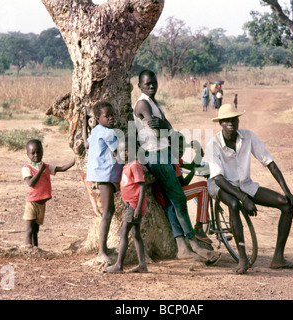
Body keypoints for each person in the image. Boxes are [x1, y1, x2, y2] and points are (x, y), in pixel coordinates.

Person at [134, 69, 219, 264]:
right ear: (140, 86)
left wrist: (165, 126)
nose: (152, 86)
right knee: (179, 198)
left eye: (154, 82)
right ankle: (194, 244)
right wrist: (165, 126)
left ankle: (182, 247)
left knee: (172, 202)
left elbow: (167, 127)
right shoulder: (142, 103)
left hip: (163, 153)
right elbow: (158, 129)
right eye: (147, 84)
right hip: (155, 155)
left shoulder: (154, 103)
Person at [206, 104, 293, 274]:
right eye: (226, 120)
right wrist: (244, 199)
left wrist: (287, 191)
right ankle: (242, 259)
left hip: (245, 185)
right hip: (221, 185)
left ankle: (278, 258)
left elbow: (269, 162)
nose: (231, 123)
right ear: (220, 123)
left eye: (234, 119)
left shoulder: (248, 136)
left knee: (287, 205)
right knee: (234, 204)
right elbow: (218, 178)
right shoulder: (213, 144)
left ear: (238, 120)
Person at [83, 101, 124, 265]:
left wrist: (83, 125)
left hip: (99, 174)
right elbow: (118, 154)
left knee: (110, 210)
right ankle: (101, 251)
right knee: (107, 212)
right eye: (106, 116)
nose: (110, 118)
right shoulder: (108, 133)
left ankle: (104, 248)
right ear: (98, 118)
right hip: (105, 175)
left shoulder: (96, 130)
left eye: (111, 115)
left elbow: (86, 144)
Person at [152, 132, 212, 244]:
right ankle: (199, 227)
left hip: (172, 194)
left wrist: (199, 154)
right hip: (170, 196)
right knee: (204, 187)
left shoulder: (175, 158)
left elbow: (190, 166)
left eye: (182, 147)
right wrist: (194, 170)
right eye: (177, 147)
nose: (180, 150)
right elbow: (184, 183)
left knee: (202, 187)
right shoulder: (171, 159)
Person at [22, 139, 75, 248]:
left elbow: (62, 169)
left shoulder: (46, 166)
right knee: (29, 229)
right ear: (28, 154)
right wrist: (40, 171)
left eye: (39, 152)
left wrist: (75, 161)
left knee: (36, 229)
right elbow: (31, 183)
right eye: (33, 153)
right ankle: (27, 249)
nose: (36, 155)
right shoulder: (27, 168)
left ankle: (35, 248)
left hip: (42, 203)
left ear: (42, 152)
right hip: (32, 203)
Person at [105, 140, 148, 273]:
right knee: (135, 234)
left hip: (134, 205)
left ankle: (119, 265)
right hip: (131, 204)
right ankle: (142, 265)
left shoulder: (134, 165)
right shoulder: (127, 165)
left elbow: (142, 186)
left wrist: (138, 207)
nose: (123, 153)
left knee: (124, 232)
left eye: (126, 151)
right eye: (121, 151)